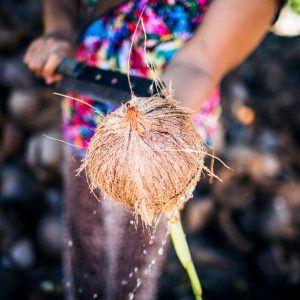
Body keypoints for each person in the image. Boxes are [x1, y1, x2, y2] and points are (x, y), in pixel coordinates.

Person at [24, 1, 284, 299]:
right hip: (84, 113)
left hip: (160, 140)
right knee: (84, 243)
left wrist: (157, 128)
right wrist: (59, 31)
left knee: (130, 267)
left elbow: (200, 62)